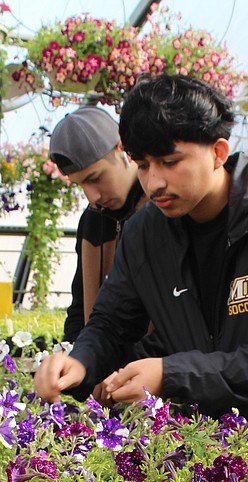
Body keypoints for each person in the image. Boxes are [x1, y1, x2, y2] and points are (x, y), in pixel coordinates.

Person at [33, 74, 248, 419]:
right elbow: (112, 323)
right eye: (144, 165)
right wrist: (80, 361)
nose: (154, 182)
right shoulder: (144, 232)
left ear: (218, 153)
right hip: (218, 438)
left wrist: (171, 374)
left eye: (170, 162)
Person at [48, 104, 146, 343]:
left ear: (122, 148)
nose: (92, 196)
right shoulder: (93, 219)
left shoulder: (160, 208)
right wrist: (72, 357)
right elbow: (80, 305)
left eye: (96, 178)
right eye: (81, 184)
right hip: (102, 362)